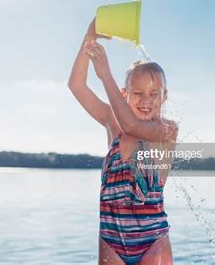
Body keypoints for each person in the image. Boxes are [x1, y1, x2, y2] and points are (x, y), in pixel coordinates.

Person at [68, 18, 178, 264]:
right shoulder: (111, 121)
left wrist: (105, 74)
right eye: (137, 93)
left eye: (154, 94)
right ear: (124, 94)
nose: (146, 100)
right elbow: (76, 85)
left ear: (165, 97)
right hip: (111, 240)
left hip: (152, 241)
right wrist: (90, 36)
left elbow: (134, 126)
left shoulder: (166, 131)